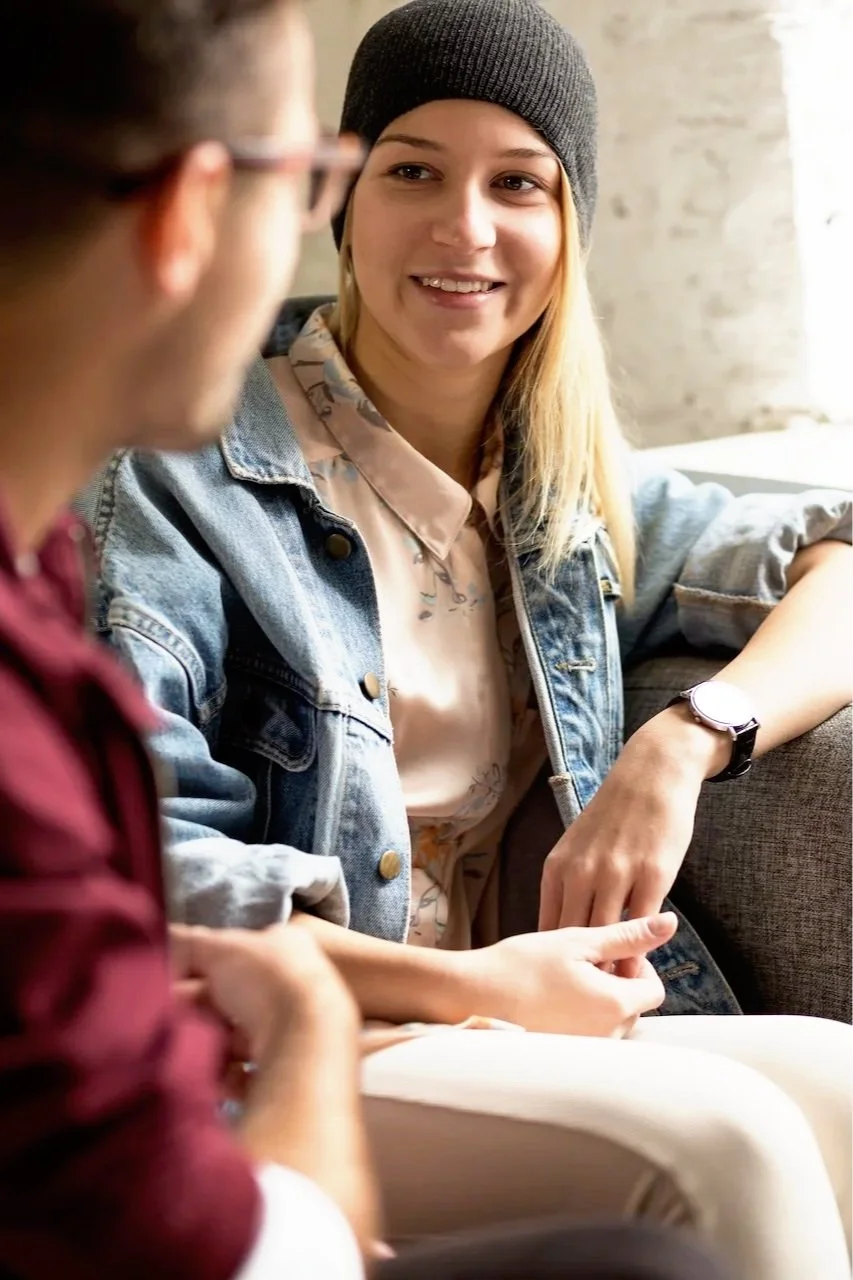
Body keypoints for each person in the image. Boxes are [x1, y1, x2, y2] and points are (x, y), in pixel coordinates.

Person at [80, 0, 852, 1276]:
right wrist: (483, 986)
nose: (465, 227)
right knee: (726, 1148)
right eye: (412, 172)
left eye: (519, 183)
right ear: (344, 196)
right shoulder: (180, 467)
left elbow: (839, 559)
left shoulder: (565, 498)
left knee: (841, 1086)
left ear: (570, 229)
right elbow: (150, 863)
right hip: (302, 1038)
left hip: (518, 1017)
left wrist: (684, 740)